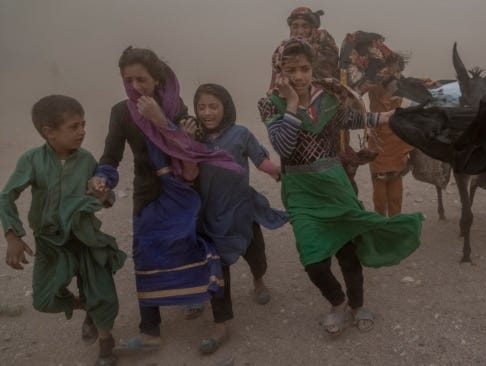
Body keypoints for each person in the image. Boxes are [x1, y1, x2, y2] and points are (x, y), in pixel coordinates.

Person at [258, 38, 423, 336]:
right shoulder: (270, 102)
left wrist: (385, 117)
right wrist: (293, 104)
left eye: (304, 69)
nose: (298, 76)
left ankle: (357, 305)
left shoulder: (328, 98)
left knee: (348, 253)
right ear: (279, 69)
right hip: (301, 191)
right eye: (290, 68)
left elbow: (352, 118)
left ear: (312, 69)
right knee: (313, 260)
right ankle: (337, 302)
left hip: (334, 185)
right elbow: (284, 145)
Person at [88, 46, 241, 353]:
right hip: (148, 194)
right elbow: (111, 155)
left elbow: (192, 149)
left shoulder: (176, 107)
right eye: (128, 80)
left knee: (202, 248)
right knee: (147, 256)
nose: (135, 87)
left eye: (141, 79)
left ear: (157, 79)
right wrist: (103, 177)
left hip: (185, 191)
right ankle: (150, 331)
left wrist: (162, 121)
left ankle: (220, 322)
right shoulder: (121, 112)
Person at [0, 95, 126, 366]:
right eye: (74, 126)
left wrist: (101, 193)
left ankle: (106, 345)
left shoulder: (86, 160)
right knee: (44, 300)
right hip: (49, 241)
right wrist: (13, 235)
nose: (82, 131)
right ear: (49, 132)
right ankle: (86, 306)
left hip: (85, 237)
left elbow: (104, 196)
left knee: (102, 291)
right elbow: (6, 195)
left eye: (83, 124)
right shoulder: (32, 160)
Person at [178, 83, 289, 350]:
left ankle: (258, 279)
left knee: (256, 255)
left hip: (242, 211)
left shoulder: (240, 134)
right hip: (211, 218)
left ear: (225, 106)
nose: (207, 112)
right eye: (201, 107)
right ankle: (220, 325)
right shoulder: (196, 140)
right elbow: (189, 175)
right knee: (217, 272)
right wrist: (188, 144)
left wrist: (282, 173)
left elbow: (262, 162)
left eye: (213, 106)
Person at [367, 53, 416, 217]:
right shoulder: (374, 89)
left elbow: (418, 84)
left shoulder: (402, 90)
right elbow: (359, 87)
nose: (394, 75)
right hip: (378, 146)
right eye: (390, 71)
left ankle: (394, 229)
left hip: (396, 146)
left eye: (397, 72)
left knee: (396, 198)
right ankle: (381, 227)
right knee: (380, 199)